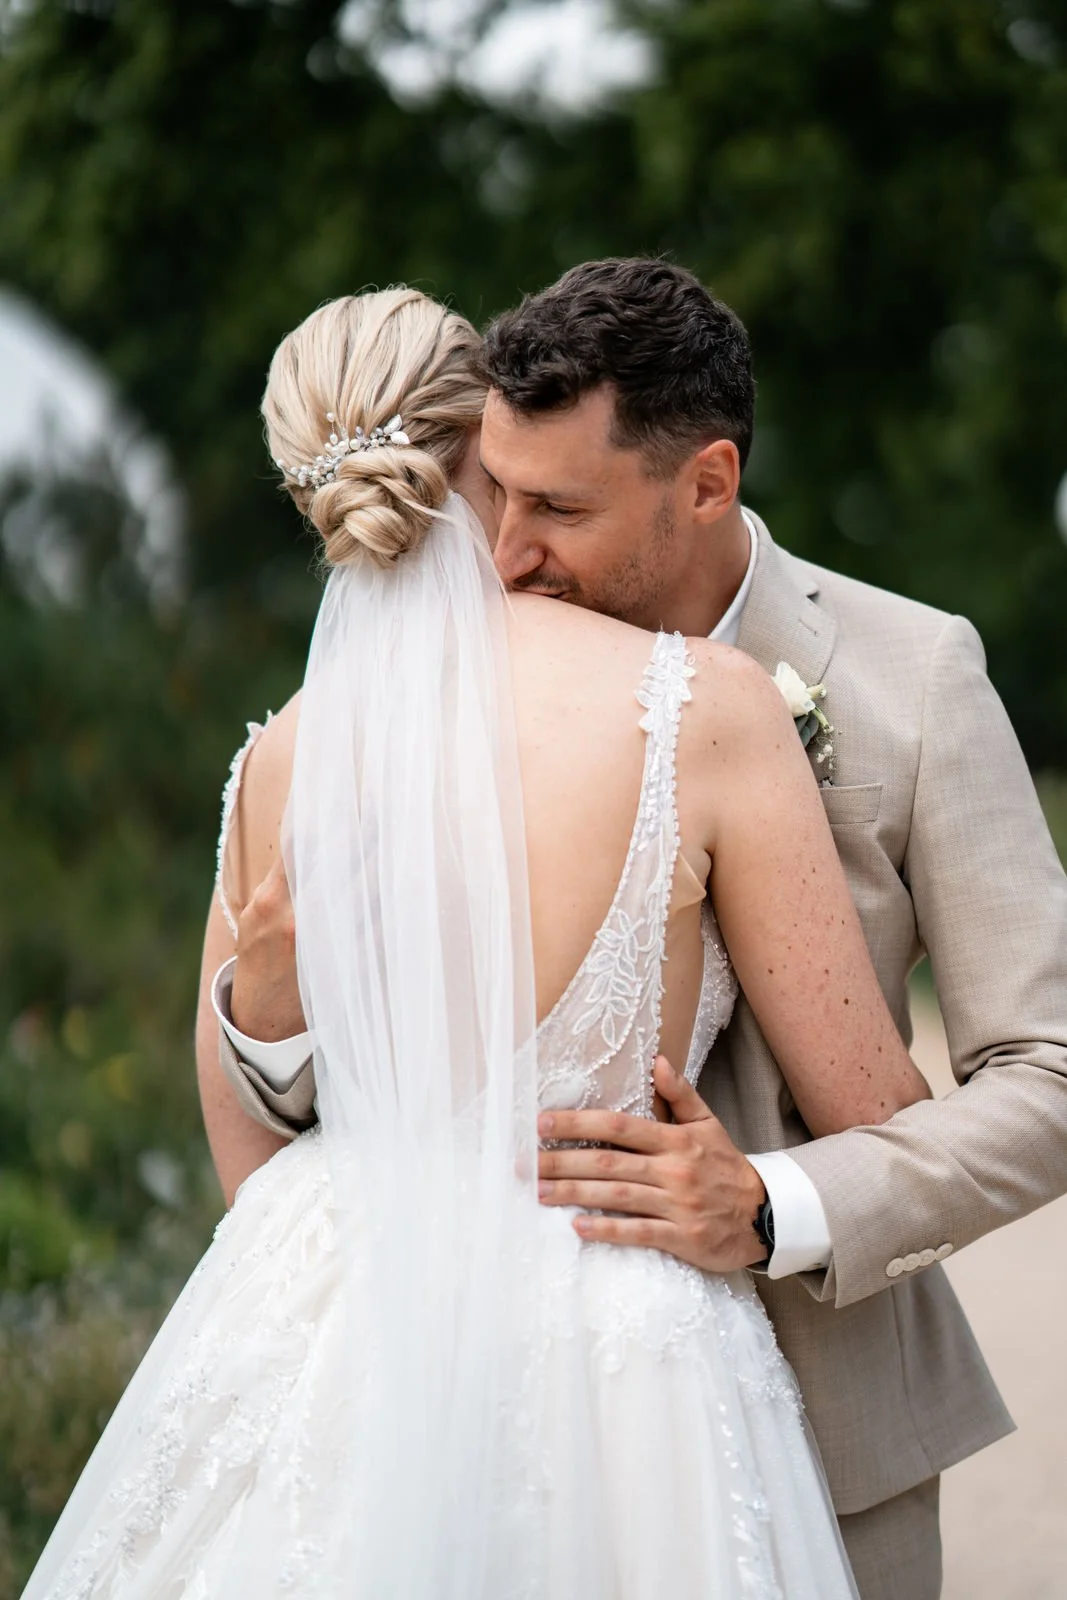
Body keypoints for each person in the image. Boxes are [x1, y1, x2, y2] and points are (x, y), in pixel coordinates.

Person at [21, 284, 937, 1599]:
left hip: (327, 1324)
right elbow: (874, 1116)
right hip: (623, 1338)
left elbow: (246, 1166)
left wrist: (270, 1006)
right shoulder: (701, 707)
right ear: (493, 437)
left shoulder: (283, 758)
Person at [218, 260, 1067, 1600]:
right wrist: (263, 1016)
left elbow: (1048, 1076)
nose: (502, 556)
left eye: (554, 509)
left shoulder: (913, 681)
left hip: (828, 1415)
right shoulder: (430, 705)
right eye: (495, 492)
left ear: (706, 484)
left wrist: (778, 1203)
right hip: (483, 1419)